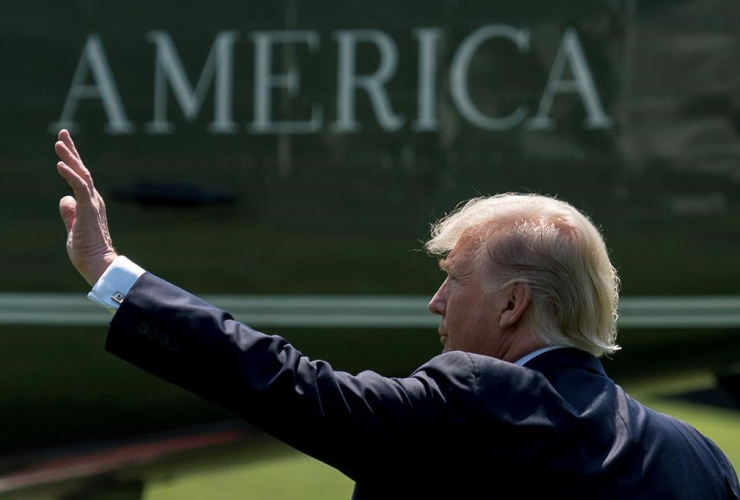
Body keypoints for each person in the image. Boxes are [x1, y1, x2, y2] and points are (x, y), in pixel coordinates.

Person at [54, 129, 739, 499]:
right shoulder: (701, 461)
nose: (436, 302)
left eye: (454, 280)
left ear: (512, 304)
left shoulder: (478, 398)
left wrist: (113, 274)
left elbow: (287, 383)